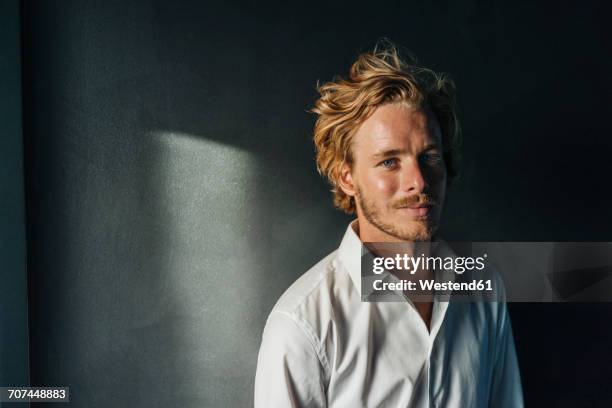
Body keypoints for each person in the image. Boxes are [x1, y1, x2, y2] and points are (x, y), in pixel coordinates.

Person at [254, 41, 523, 407]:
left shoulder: (484, 287)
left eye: (429, 156)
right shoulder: (303, 325)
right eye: (389, 162)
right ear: (347, 178)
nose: (419, 181)